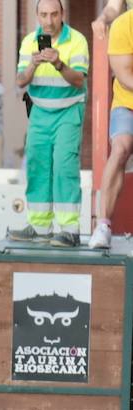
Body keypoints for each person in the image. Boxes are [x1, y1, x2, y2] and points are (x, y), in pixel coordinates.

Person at [10, 0, 88, 247]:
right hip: (40, 113)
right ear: (37, 15)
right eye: (43, 15)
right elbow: (20, 80)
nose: (49, 20)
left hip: (68, 111)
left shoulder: (77, 41)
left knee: (64, 168)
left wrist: (58, 63)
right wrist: (34, 63)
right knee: (37, 166)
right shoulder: (28, 42)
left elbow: (78, 80)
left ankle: (70, 230)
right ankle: (40, 227)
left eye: (54, 14)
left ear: (62, 14)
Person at [95, 6, 133, 248]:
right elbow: (125, 75)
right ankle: (102, 226)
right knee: (120, 148)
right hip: (127, 103)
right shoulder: (124, 25)